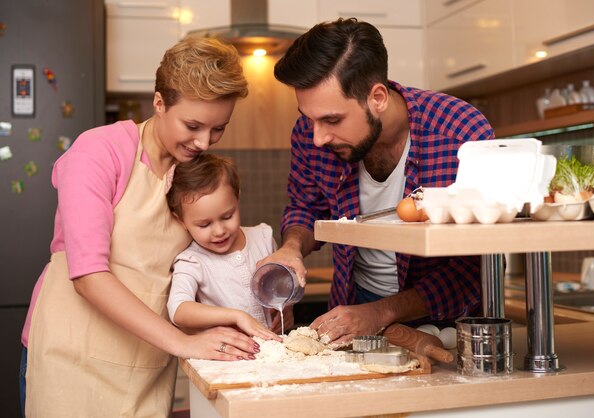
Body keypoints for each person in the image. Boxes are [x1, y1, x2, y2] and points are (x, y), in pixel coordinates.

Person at [20, 36, 256, 418]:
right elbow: (89, 276)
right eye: (193, 125)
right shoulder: (99, 151)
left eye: (217, 129)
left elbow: (208, 260)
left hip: (145, 367)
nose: (203, 142)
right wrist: (183, 342)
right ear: (159, 103)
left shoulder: (193, 175)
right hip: (70, 362)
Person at [266, 18, 495, 347]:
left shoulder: (460, 135)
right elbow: (306, 206)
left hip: (449, 321)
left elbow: (476, 267)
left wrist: (381, 313)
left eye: (332, 119)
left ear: (377, 98)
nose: (317, 138)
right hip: (355, 307)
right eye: (308, 118)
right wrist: (290, 249)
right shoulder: (311, 133)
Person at [166, 153, 286, 337]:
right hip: (228, 360)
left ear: (237, 198)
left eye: (227, 216)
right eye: (204, 225)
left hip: (273, 356)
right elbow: (178, 310)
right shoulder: (192, 261)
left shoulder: (263, 238)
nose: (219, 230)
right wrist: (235, 316)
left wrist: (286, 306)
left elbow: (280, 286)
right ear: (181, 220)